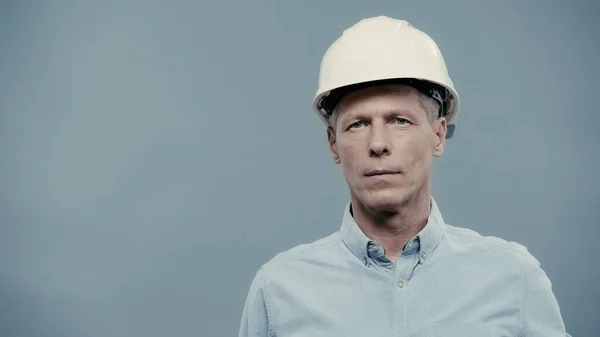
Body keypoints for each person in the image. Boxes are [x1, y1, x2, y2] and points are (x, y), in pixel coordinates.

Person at [238, 15, 570, 336]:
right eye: (358, 124)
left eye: (400, 121)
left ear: (438, 135)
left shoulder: (513, 280)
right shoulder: (279, 291)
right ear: (333, 143)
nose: (378, 144)